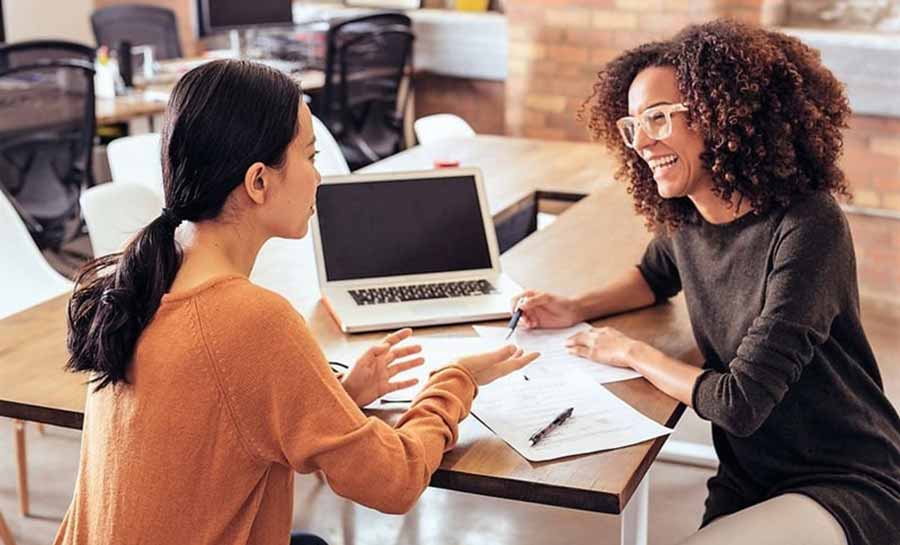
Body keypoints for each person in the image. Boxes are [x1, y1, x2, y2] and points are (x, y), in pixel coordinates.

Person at [56, 59, 538, 545]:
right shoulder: (250, 319)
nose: (319, 177)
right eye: (310, 156)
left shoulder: (138, 283)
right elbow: (394, 481)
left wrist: (336, 397)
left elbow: (219, 428)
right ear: (259, 181)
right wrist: (456, 382)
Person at [512, 20, 900, 545]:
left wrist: (629, 353)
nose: (642, 141)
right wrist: (575, 306)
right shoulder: (688, 216)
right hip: (750, 474)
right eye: (632, 125)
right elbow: (654, 277)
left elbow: (738, 403)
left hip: (842, 475)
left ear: (723, 116)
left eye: (659, 118)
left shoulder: (808, 227)